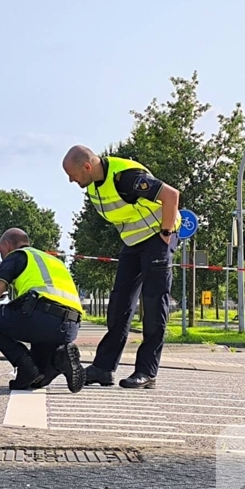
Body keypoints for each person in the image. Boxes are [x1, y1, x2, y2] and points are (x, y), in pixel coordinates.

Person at [62, 145, 181, 389]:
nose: (71, 181)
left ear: (87, 167)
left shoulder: (125, 178)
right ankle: (103, 368)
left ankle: (147, 372)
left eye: (72, 175)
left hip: (157, 238)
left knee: (153, 303)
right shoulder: (94, 185)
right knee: (119, 304)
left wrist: (166, 234)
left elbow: (171, 196)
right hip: (134, 242)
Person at [0, 228, 85, 392]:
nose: (1, 255)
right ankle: (61, 358)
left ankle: (23, 364)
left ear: (7, 245)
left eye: (1, 250)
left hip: (41, 319)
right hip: (70, 328)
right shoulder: (54, 260)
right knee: (37, 379)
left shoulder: (17, 256)